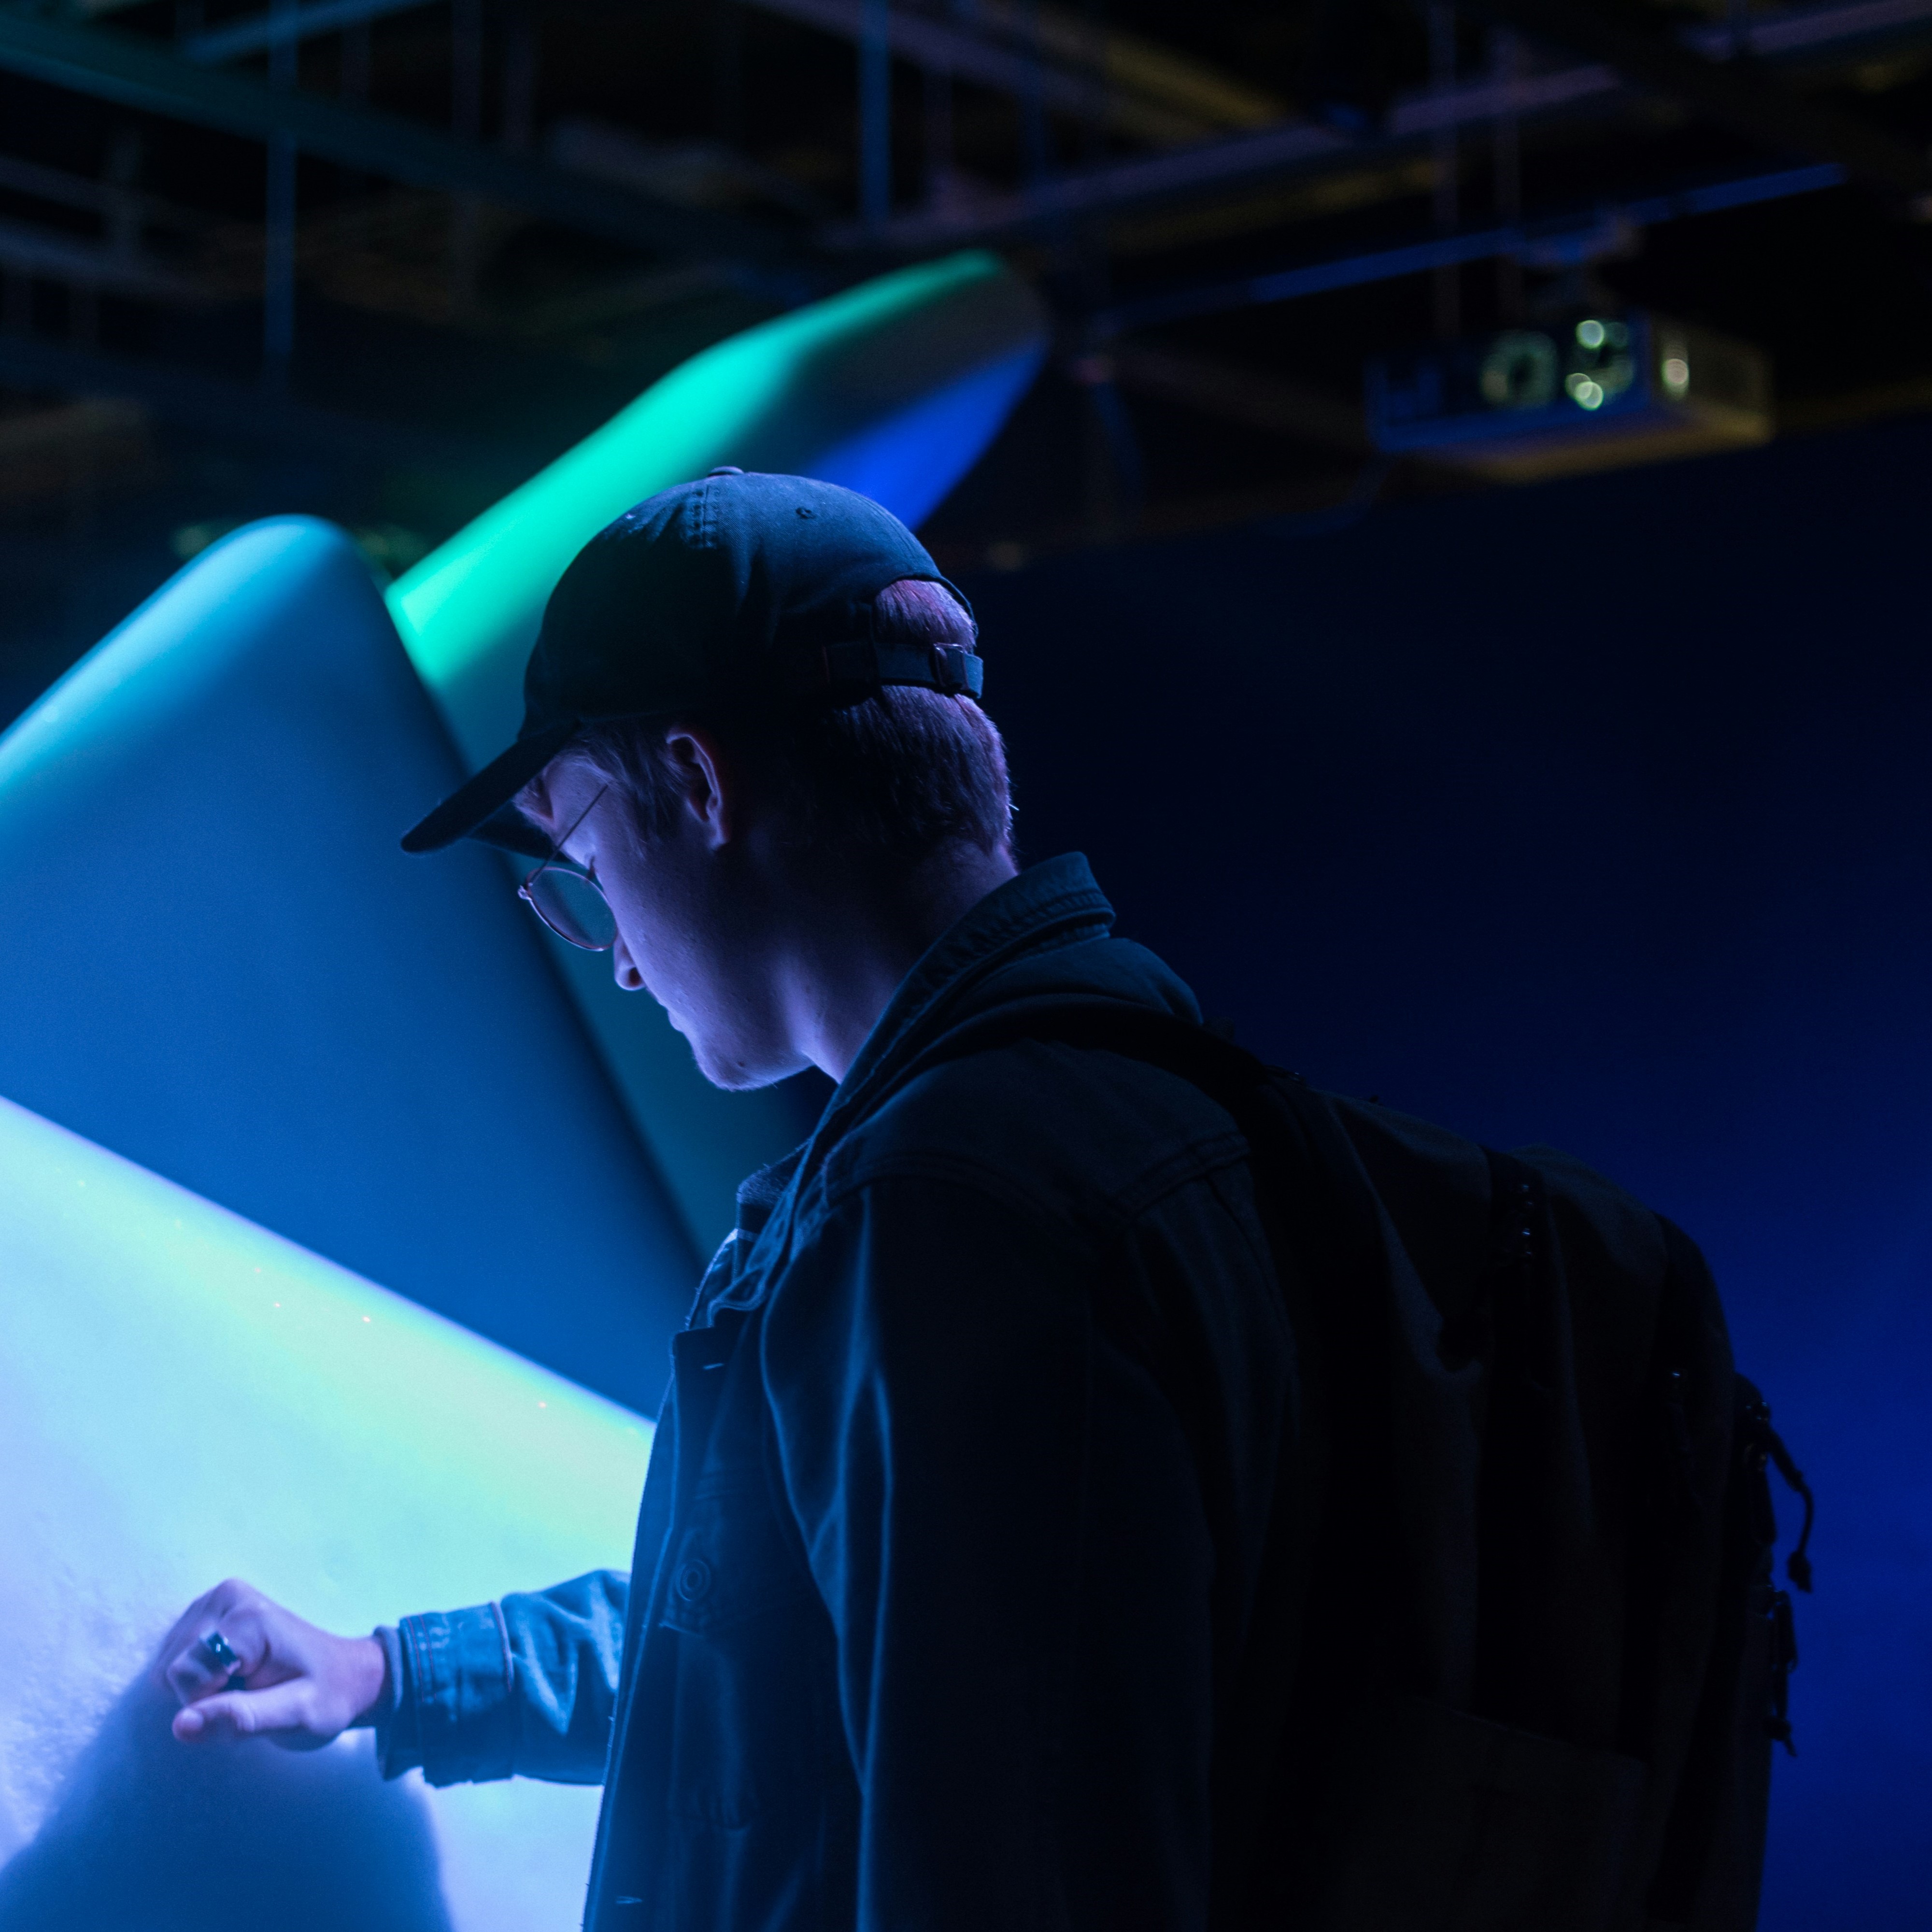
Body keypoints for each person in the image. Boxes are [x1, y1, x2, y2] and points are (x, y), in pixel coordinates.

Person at [158, 470, 1294, 1932]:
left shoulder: (949, 1222)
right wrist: (396, 1673)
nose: (617, 959)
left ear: (696, 788)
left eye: (586, 866)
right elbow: (819, 1628)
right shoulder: (1212, 1166)